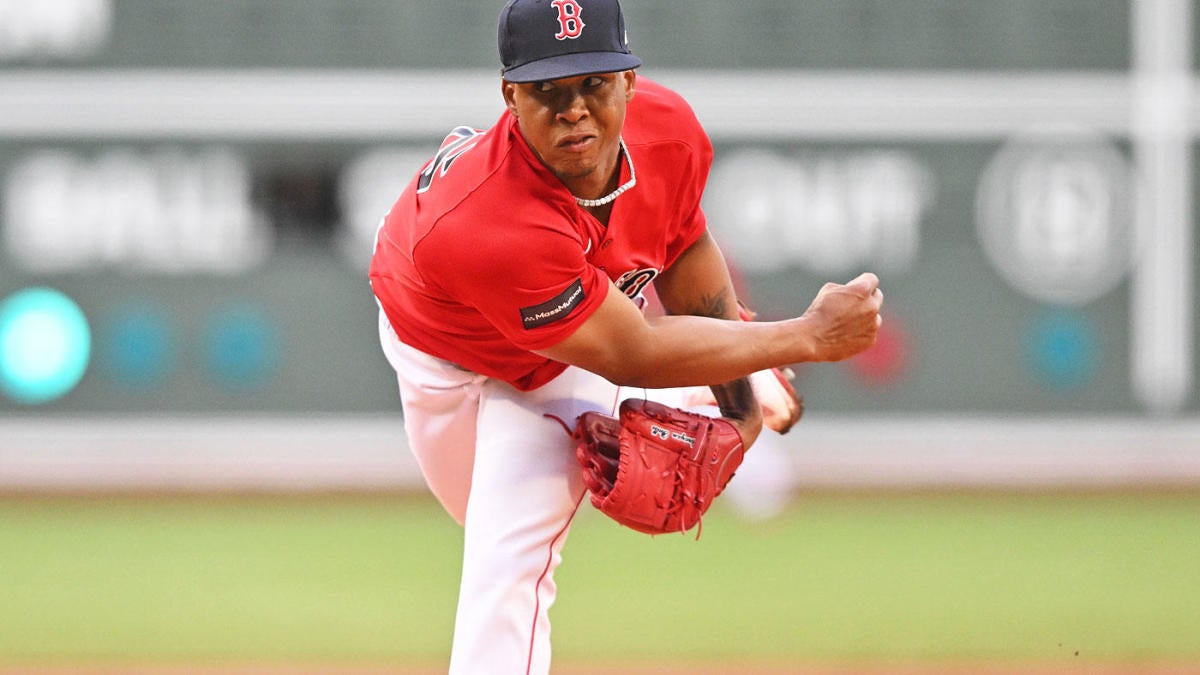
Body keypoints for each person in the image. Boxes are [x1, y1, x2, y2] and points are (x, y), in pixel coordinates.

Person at [368, 0, 883, 672]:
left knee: (509, 559)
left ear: (630, 82)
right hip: (438, 354)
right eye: (547, 90)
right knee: (481, 515)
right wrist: (805, 337)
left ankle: (732, 363)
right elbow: (632, 352)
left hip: (555, 363)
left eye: (593, 82)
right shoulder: (493, 221)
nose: (573, 108)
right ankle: (729, 363)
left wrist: (744, 418)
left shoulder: (667, 131)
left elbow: (684, 245)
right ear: (509, 96)